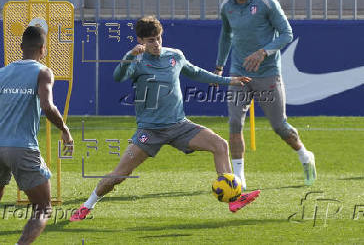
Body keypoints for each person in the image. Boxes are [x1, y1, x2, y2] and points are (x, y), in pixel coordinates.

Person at [70, 16, 260, 222]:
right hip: (150, 131)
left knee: (220, 145)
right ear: (141, 40)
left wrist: (228, 80)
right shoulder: (137, 61)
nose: (156, 43)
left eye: (159, 38)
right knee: (119, 175)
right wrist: (130, 54)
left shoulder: (175, 56)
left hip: (179, 126)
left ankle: (234, 197)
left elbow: (196, 73)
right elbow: (118, 75)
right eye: (150, 40)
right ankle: (87, 206)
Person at [215, 0, 316, 190]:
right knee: (233, 123)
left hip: (268, 73)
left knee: (279, 126)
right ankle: (238, 178)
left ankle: (305, 155)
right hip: (238, 73)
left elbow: (287, 33)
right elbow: (225, 36)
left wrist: (263, 52)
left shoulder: (266, 2)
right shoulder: (226, 6)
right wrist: (219, 66)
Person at [0, 26, 73, 245]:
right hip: (23, 147)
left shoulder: (1, 73)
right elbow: (47, 106)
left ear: (20, 47)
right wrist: (64, 129)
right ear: (43, 49)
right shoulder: (43, 72)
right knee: (43, 209)